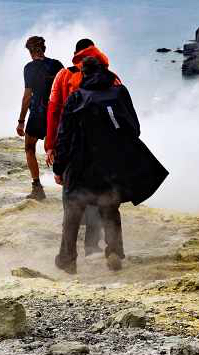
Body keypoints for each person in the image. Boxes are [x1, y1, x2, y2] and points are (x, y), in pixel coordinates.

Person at [52, 57, 168, 273]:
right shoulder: (120, 92)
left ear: (83, 74)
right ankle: (114, 250)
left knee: (73, 208)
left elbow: (64, 136)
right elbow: (134, 128)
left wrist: (58, 168)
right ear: (105, 71)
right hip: (112, 164)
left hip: (81, 165)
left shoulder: (76, 97)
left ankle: (68, 259)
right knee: (109, 204)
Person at [44, 38, 117, 255]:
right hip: (104, 150)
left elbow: (54, 111)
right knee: (99, 197)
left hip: (73, 149)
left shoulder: (64, 76)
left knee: (73, 201)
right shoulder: (111, 79)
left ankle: (68, 256)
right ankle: (93, 246)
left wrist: (51, 146)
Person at [15, 36, 64, 201]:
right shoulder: (57, 65)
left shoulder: (29, 68)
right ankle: (70, 189)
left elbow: (27, 96)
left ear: (30, 51)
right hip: (56, 114)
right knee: (59, 151)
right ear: (44, 49)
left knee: (29, 148)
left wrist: (21, 121)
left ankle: (37, 188)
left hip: (37, 114)